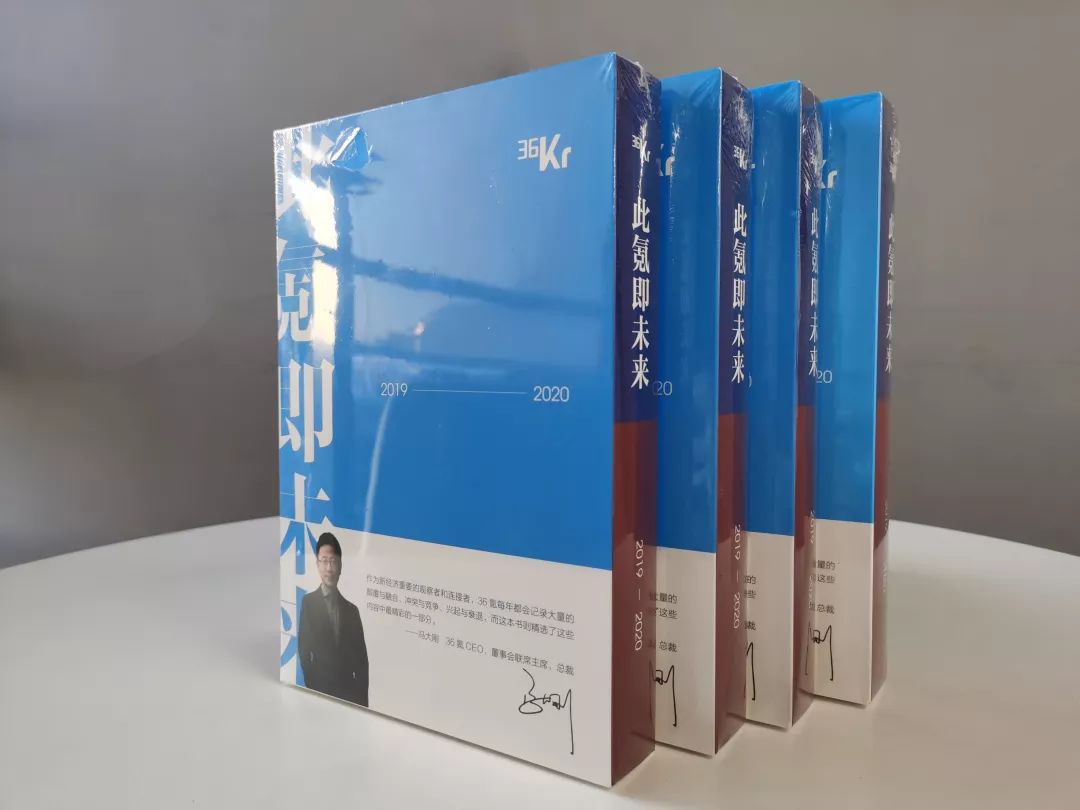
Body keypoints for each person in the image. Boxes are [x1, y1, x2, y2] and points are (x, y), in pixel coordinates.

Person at [298, 532, 369, 706]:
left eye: (333, 561)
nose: (329, 568)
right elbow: (304, 652)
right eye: (324, 561)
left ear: (341, 566)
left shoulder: (352, 611)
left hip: (349, 698)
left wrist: (361, 702)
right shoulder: (309, 603)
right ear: (317, 564)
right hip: (319, 695)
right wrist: (314, 688)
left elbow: (362, 663)